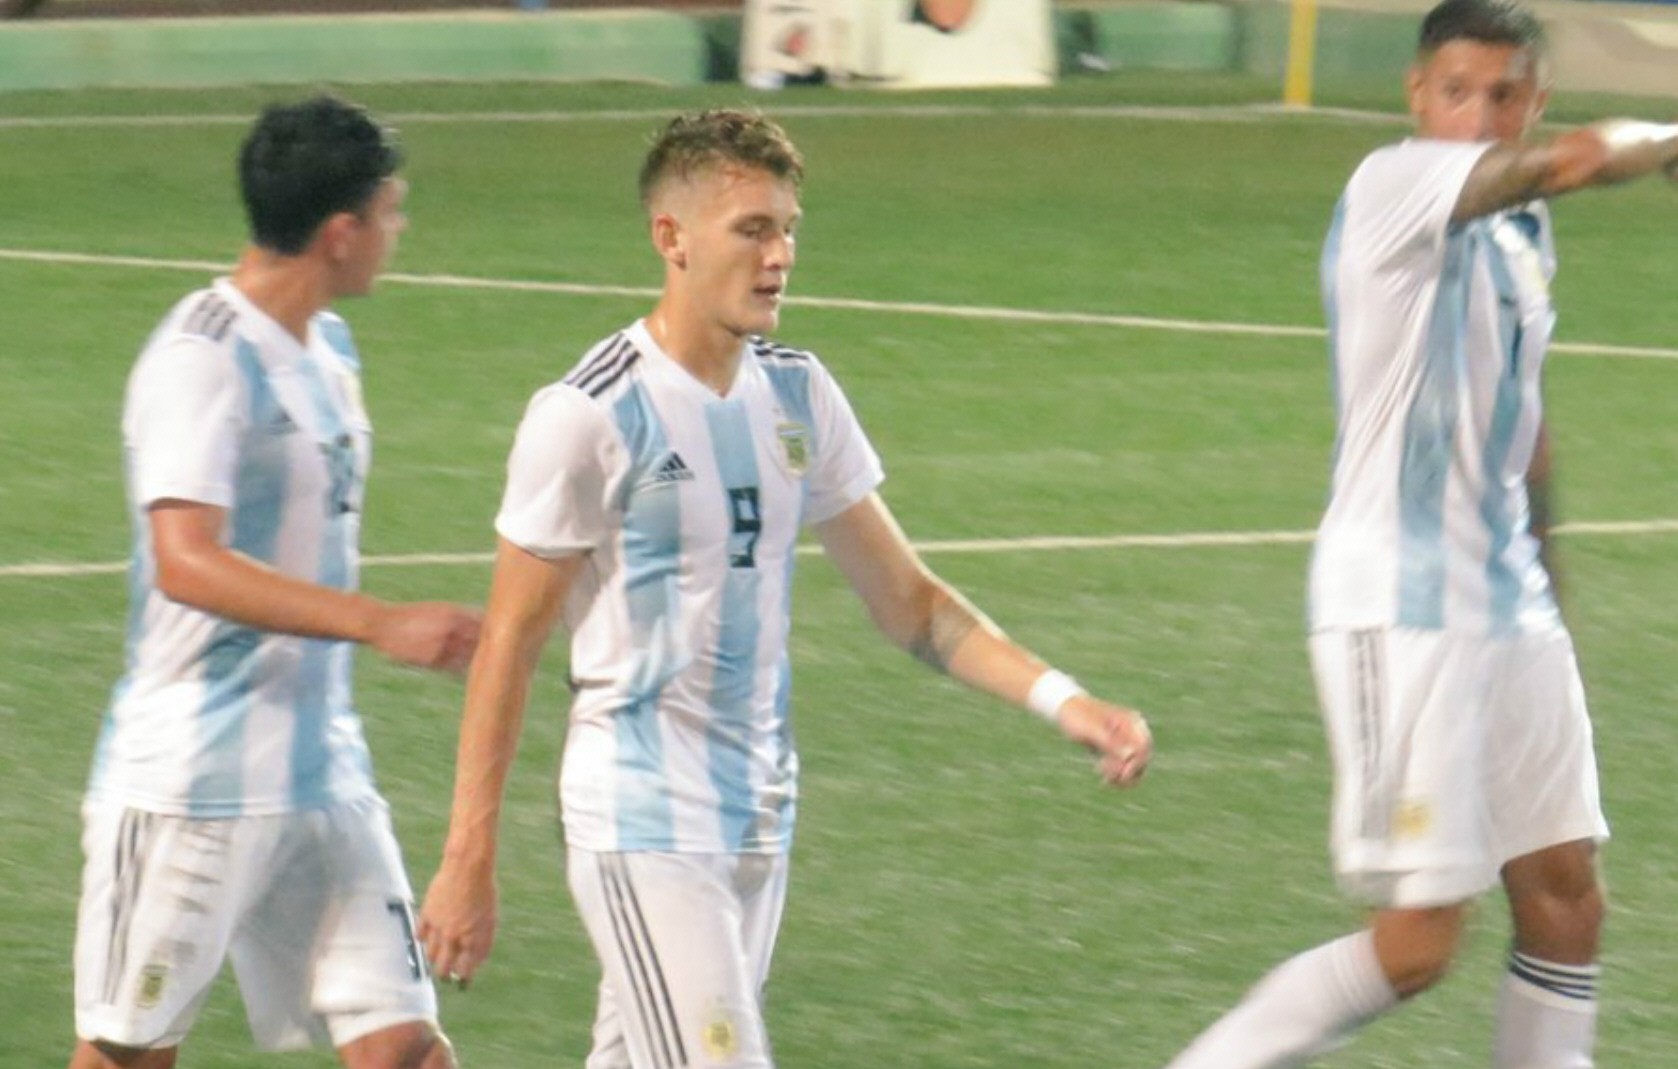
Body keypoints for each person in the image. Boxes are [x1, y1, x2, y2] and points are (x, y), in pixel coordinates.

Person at [416, 108, 1153, 1069]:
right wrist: (467, 856)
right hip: (644, 818)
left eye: (788, 229)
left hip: (759, 816)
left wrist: (1066, 699)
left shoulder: (798, 394)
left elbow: (912, 603)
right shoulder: (591, 412)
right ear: (672, 238)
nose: (780, 256)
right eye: (753, 230)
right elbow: (509, 642)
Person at [1162, 3, 1678, 1067]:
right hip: (1401, 604)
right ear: (1416, 95)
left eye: (1505, 96)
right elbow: (1580, 161)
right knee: (1415, 948)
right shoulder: (1392, 184)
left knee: (1566, 900)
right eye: (1456, 92)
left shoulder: (1522, 235)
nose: (1478, 118)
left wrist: (1553, 601)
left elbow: (1524, 430)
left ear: (1535, 100)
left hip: (1509, 607)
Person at [68, 96, 481, 1069]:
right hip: (192, 783)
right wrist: (377, 622)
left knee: (406, 1051)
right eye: (389, 212)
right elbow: (186, 559)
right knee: (128, 1056)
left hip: (319, 772)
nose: (397, 231)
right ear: (340, 232)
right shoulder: (202, 356)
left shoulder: (328, 348)